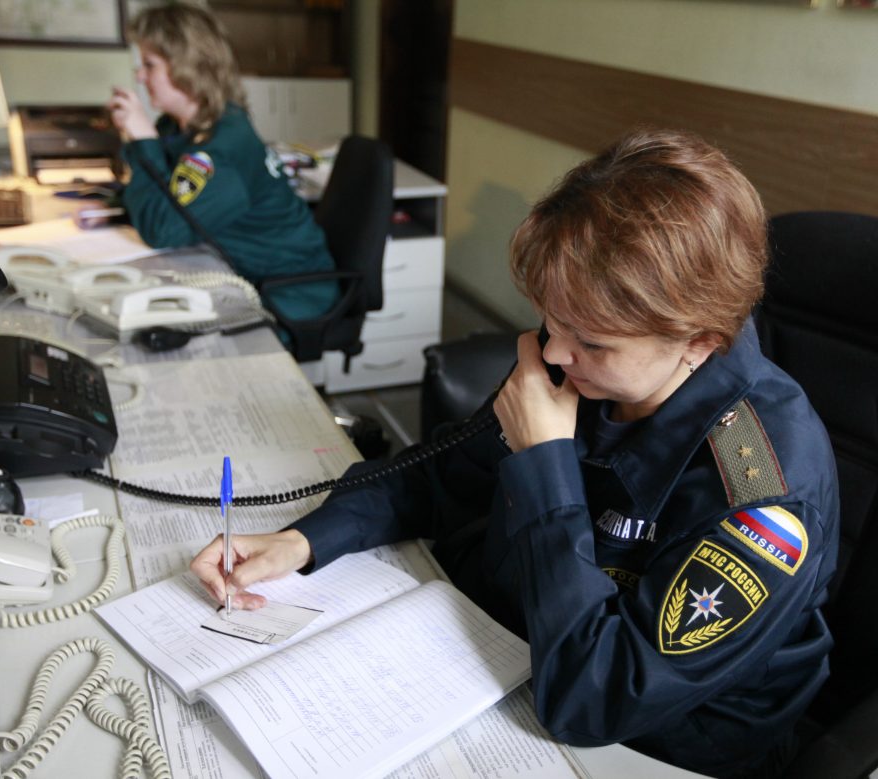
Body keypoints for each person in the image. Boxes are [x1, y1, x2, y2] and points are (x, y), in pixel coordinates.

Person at [190, 128, 839, 778]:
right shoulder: (579, 365)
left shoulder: (764, 493)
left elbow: (596, 698)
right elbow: (437, 473)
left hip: (658, 744)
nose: (552, 353)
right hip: (505, 652)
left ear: (697, 340)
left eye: (591, 340)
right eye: (551, 320)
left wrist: (546, 464)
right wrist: (303, 540)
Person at [104, 4, 337, 322]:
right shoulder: (178, 127)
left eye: (149, 64)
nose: (139, 76)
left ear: (187, 66)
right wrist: (141, 142)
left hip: (289, 292)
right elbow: (157, 194)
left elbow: (162, 231)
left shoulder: (221, 147)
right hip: (236, 272)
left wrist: (143, 141)